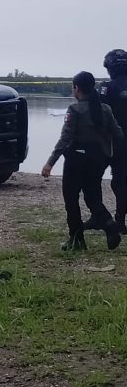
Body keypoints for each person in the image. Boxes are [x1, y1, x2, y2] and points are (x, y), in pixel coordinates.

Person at [42, 71, 124, 251]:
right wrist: (113, 156)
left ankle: (76, 239)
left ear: (76, 88)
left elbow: (65, 138)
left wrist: (50, 163)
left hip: (76, 159)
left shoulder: (74, 110)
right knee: (92, 196)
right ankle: (110, 225)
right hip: (98, 160)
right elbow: (118, 133)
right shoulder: (105, 109)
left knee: (71, 198)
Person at [100, 49, 127, 234]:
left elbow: (98, 113)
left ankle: (112, 219)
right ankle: (119, 219)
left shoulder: (106, 88)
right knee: (122, 179)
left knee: (115, 181)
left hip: (112, 140)